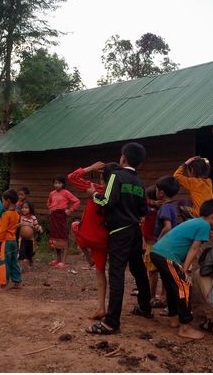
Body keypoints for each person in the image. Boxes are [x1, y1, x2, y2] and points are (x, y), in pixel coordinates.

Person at [87, 141, 152, 335]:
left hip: (119, 231)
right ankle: (145, 308)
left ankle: (111, 322)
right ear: (139, 164)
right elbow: (143, 209)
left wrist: (93, 195)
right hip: (134, 230)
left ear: (122, 158)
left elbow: (107, 200)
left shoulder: (116, 176)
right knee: (138, 270)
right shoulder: (140, 182)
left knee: (116, 273)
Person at [149, 198, 213, 340]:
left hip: (158, 252)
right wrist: (184, 271)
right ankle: (185, 327)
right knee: (184, 285)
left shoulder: (196, 222)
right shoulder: (204, 225)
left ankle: (174, 319)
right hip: (167, 256)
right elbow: (194, 249)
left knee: (172, 287)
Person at [67, 161, 117, 320]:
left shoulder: (94, 189)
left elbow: (71, 177)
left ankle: (88, 257)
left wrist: (90, 168)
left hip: (87, 235)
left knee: (75, 226)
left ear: (103, 178)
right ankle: (101, 307)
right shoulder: (117, 193)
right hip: (103, 239)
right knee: (100, 272)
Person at [150, 175, 181, 307]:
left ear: (161, 193)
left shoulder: (164, 208)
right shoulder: (172, 206)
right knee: (167, 273)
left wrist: (158, 241)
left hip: (165, 246)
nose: (155, 192)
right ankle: (164, 298)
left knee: (165, 274)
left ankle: (165, 299)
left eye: (156, 190)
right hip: (172, 245)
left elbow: (167, 227)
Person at [47, 175, 80, 268]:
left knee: (63, 237)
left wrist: (70, 210)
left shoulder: (66, 192)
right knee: (55, 237)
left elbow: (77, 201)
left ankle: (64, 261)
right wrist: (50, 208)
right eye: (55, 183)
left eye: (59, 183)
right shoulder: (52, 193)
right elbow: (49, 202)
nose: (57, 185)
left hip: (61, 216)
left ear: (63, 184)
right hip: (54, 216)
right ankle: (58, 260)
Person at [0, 189, 21, 291]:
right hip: (13, 241)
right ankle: (17, 282)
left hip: (6, 241)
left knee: (3, 262)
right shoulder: (16, 214)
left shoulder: (6, 215)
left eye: (3, 201)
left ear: (8, 201)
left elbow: (2, 230)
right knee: (14, 261)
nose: (2, 203)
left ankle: (3, 284)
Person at [17, 201, 43, 267]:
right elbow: (16, 226)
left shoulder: (33, 217)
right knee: (21, 252)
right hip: (22, 239)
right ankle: (21, 266)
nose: (24, 209)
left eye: (26, 208)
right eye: (22, 207)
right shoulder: (20, 217)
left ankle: (30, 262)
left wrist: (39, 228)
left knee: (30, 252)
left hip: (31, 239)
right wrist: (19, 225)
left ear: (30, 209)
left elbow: (36, 226)